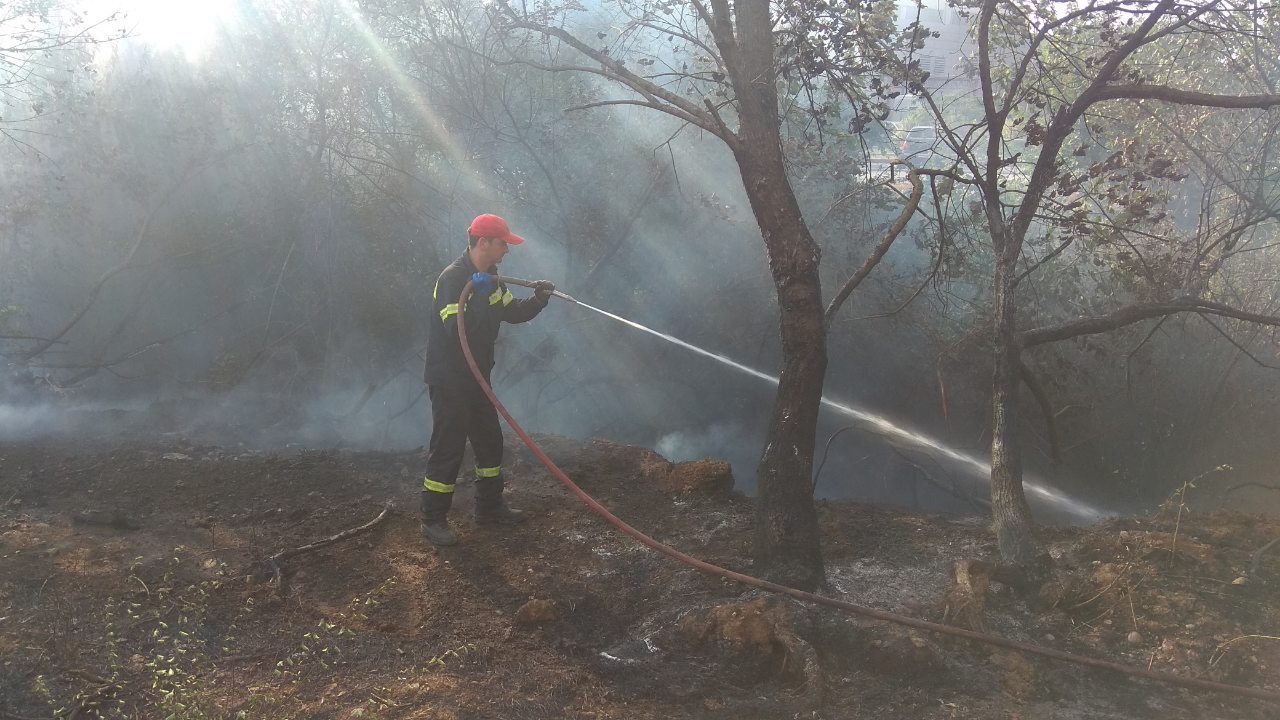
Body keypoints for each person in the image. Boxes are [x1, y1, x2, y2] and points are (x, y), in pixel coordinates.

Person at [420, 213, 555, 546]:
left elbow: (511, 311)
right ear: (483, 242)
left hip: (477, 378)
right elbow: (458, 332)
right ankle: (433, 519)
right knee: (448, 447)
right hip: (450, 380)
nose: (507, 250)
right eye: (503, 244)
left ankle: (489, 507)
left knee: (490, 442)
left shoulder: (492, 278)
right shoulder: (452, 279)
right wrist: (478, 295)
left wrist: (538, 300)